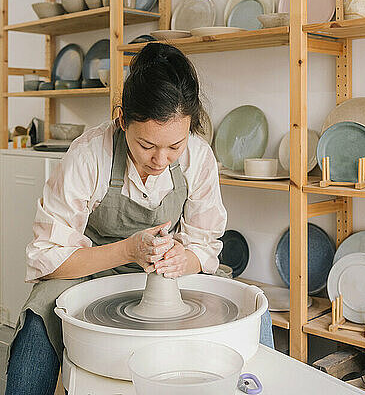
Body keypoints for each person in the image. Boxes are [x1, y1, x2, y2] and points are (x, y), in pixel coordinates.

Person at [5, 42, 273, 395]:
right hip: (91, 270)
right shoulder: (90, 155)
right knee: (38, 322)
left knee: (254, 309)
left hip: (167, 274)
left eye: (174, 146)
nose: (161, 160)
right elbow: (47, 258)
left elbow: (204, 247)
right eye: (147, 145)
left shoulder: (199, 158)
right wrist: (129, 251)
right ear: (122, 122)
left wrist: (184, 257)